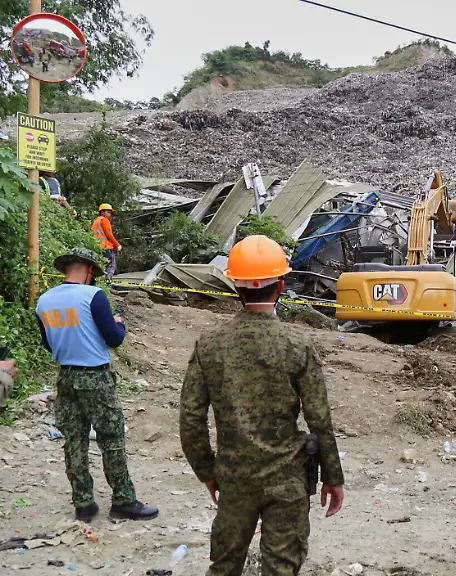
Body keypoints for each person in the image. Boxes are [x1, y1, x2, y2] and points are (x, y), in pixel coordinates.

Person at [180, 235, 345, 576]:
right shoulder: (297, 343)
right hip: (287, 478)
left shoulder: (209, 344)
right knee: (282, 568)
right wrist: (332, 476)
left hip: (234, 479)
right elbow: (319, 419)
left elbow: (191, 416)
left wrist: (206, 471)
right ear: (281, 285)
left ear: (236, 287)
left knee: (224, 566)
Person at [35, 247, 158, 523]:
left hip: (66, 376)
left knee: (74, 440)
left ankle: (84, 504)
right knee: (111, 438)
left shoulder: (44, 301)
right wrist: (119, 324)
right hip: (96, 377)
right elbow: (114, 338)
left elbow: (48, 342)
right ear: (90, 270)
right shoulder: (93, 296)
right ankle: (124, 501)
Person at [90, 204, 120, 278]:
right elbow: (109, 235)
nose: (110, 214)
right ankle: (108, 284)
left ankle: (101, 283)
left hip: (97, 247)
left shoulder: (96, 221)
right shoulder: (104, 220)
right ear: (102, 212)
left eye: (110, 212)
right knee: (110, 266)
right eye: (108, 212)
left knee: (101, 266)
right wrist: (117, 245)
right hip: (106, 247)